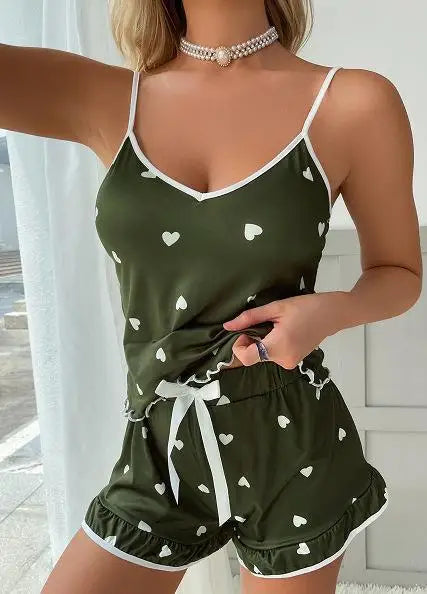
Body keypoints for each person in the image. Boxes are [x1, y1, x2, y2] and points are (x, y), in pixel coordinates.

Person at [1, 0, 422, 592]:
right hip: (158, 447)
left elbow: (398, 272)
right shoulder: (107, 98)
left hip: (293, 447)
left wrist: (328, 312)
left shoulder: (351, 101)